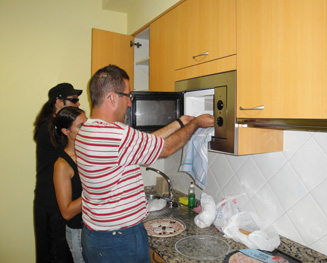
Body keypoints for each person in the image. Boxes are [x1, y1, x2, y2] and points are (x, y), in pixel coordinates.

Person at [75, 65, 214, 263]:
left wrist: (180, 123)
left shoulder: (88, 130)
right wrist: (196, 124)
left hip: (96, 235)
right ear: (113, 97)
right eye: (128, 96)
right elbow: (165, 149)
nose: (130, 103)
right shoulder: (116, 135)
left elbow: (146, 142)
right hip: (120, 240)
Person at [33, 83, 82, 263]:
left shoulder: (54, 126)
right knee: (55, 256)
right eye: (73, 100)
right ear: (58, 102)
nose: (77, 104)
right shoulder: (51, 128)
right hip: (52, 206)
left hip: (59, 203)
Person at [49, 107, 87, 263]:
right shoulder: (62, 165)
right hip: (79, 233)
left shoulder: (88, 152)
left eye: (87, 123)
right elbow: (67, 212)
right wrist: (96, 191)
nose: (87, 129)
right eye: (81, 126)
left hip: (95, 228)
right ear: (65, 131)